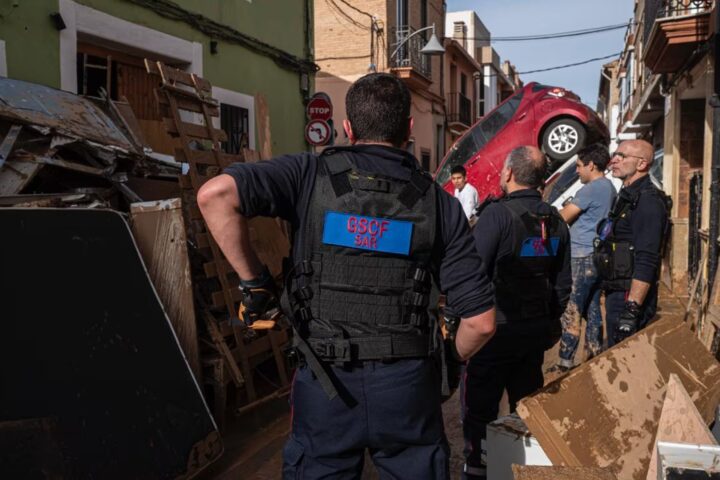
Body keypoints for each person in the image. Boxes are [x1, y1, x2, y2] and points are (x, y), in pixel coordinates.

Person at [197, 73, 497, 479]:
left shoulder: (307, 175)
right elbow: (481, 322)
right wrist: (443, 364)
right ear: (409, 129)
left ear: (347, 128)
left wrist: (256, 285)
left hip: (325, 384)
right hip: (407, 386)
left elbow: (214, 196)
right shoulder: (440, 205)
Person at [462, 146, 571, 480]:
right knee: (526, 407)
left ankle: (479, 468)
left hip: (496, 332)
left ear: (508, 173)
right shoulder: (556, 221)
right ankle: (520, 468)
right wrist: (547, 320)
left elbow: (472, 271)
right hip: (534, 331)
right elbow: (563, 284)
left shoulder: (496, 216)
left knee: (481, 408)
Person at [593, 139, 668, 346]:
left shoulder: (647, 202)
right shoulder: (627, 196)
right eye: (614, 155)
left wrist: (631, 308)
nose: (613, 160)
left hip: (628, 296)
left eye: (622, 156)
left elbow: (647, 258)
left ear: (642, 164)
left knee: (626, 362)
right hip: (616, 290)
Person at [555, 143, 616, 369]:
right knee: (592, 310)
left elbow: (564, 217)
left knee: (572, 309)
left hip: (581, 256)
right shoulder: (609, 187)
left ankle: (564, 361)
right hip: (596, 255)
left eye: (579, 166)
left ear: (591, 165)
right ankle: (593, 357)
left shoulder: (590, 189)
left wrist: (560, 211)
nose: (578, 171)